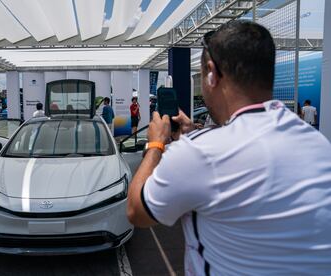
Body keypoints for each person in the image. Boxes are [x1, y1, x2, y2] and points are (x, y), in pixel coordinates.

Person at [126, 20, 331, 275]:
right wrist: (198, 134)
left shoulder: (199, 152)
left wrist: (155, 144)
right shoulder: (318, 144)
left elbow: (137, 211)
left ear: (212, 73)